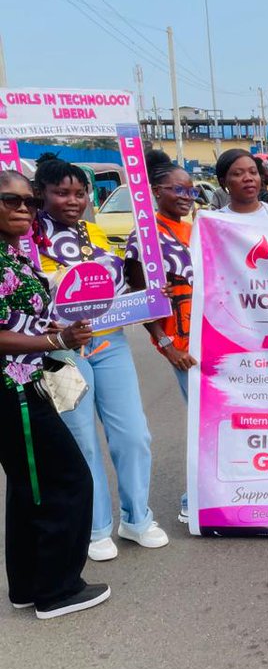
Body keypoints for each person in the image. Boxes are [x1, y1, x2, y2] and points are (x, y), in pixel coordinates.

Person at [33, 156, 169, 560]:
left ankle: (137, 517)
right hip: (59, 346)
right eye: (62, 192)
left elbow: (118, 282)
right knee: (82, 440)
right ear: (41, 193)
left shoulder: (92, 231)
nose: (73, 200)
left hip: (108, 339)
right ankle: (94, 527)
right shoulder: (27, 237)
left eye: (80, 193)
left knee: (133, 433)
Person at [0, 171, 110, 618]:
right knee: (67, 481)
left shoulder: (14, 255)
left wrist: (56, 330)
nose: (24, 209)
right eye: (11, 201)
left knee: (31, 488)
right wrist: (55, 342)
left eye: (29, 202)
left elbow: (20, 318)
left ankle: (28, 586)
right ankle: (58, 591)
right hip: (12, 391)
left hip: (28, 384)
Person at [123, 153, 196, 525]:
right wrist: (168, 347)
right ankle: (193, 497)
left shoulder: (197, 228)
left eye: (190, 189)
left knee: (218, 416)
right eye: (177, 189)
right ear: (156, 191)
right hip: (181, 343)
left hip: (211, 337)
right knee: (202, 418)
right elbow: (139, 298)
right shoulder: (147, 236)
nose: (186, 195)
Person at [215, 149, 268, 221]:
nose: (248, 178)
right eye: (238, 173)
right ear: (223, 182)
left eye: (253, 172)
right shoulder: (214, 222)